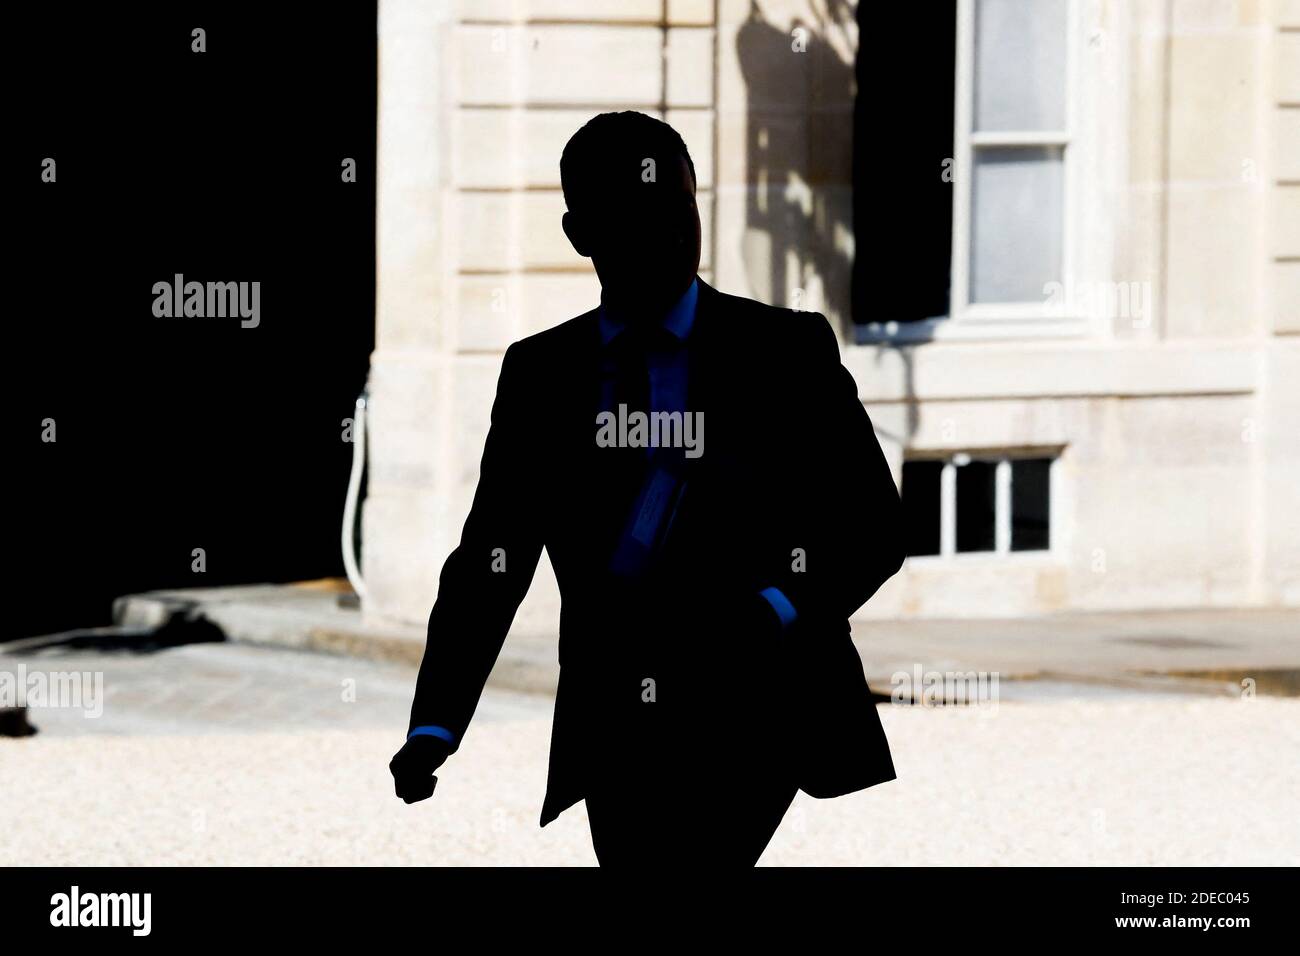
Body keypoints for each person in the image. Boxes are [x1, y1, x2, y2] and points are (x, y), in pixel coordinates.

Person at [390, 111, 905, 866]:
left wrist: (771, 610)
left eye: (679, 207)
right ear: (579, 234)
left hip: (756, 705)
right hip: (615, 716)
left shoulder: (787, 352)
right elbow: (492, 559)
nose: (666, 230)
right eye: (634, 214)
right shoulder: (541, 374)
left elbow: (872, 526)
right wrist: (435, 725)